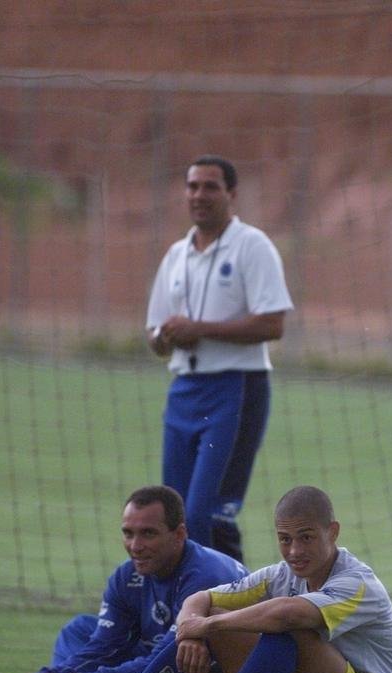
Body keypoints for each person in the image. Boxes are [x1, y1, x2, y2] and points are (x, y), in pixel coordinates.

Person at [40, 486, 392, 673]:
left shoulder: (358, 584)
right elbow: (199, 601)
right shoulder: (280, 574)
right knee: (216, 619)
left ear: (333, 532)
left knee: (289, 627)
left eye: (306, 537)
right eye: (285, 539)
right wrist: (191, 633)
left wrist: (209, 629)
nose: (294, 551)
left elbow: (286, 615)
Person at [146, 154, 293, 563]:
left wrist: (201, 329)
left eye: (210, 186)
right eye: (192, 186)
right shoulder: (176, 255)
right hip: (184, 391)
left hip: (236, 387)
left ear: (231, 193)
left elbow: (273, 324)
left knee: (206, 514)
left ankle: (233, 615)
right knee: (173, 517)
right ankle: (191, 613)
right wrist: (167, 337)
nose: (199, 195)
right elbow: (154, 333)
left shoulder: (252, 246)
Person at [4, 485, 247, 673]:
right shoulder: (126, 577)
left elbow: (163, 659)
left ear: (179, 534)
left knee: (183, 658)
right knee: (79, 629)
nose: (135, 546)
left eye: (148, 533)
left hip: (206, 668)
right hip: (154, 651)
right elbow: (102, 647)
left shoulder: (205, 576)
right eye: (128, 533)